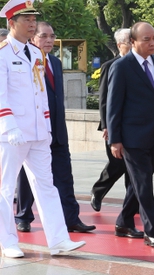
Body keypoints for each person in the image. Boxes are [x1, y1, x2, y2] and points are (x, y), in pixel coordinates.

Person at [0, 0, 85, 258]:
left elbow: (41, 94)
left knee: (47, 185)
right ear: (12, 22)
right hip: (12, 133)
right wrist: (8, 125)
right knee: (5, 188)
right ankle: (8, 242)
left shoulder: (36, 53)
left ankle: (59, 239)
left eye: (33, 18)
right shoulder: (3, 54)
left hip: (38, 132)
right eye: (26, 18)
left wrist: (46, 126)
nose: (32, 23)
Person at [15, 21, 96, 233]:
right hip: (33, 130)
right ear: (33, 38)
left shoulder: (56, 63)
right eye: (44, 36)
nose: (49, 40)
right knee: (27, 177)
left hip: (58, 132)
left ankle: (71, 218)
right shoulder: (24, 62)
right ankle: (23, 216)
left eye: (52, 36)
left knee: (64, 176)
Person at [107, 21, 154, 248]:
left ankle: (124, 222)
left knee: (139, 184)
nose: (153, 43)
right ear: (133, 42)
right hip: (131, 137)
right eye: (146, 39)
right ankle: (152, 231)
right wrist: (114, 140)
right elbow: (113, 106)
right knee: (144, 184)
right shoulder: (122, 67)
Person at [90, 28, 131, 212]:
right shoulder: (110, 66)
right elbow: (104, 100)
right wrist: (106, 125)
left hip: (135, 125)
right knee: (117, 163)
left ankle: (132, 204)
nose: (132, 45)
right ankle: (98, 192)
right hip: (115, 125)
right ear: (119, 45)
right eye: (128, 42)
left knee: (134, 167)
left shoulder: (143, 65)